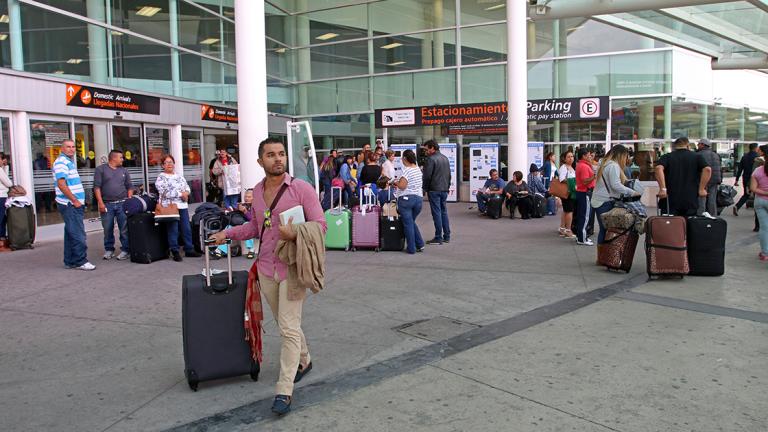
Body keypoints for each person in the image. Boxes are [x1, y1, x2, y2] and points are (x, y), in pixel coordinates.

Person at [210, 138, 327, 415]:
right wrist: (227, 234)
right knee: (287, 323)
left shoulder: (301, 188)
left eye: (282, 154)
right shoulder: (259, 191)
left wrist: (295, 232)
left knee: (287, 328)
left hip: (293, 268)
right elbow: (255, 226)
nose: (278, 159)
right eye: (271, 155)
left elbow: (320, 226)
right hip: (265, 269)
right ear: (260, 161)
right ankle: (305, 359)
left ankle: (284, 391)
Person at [53, 139, 95, 270]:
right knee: (78, 233)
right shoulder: (61, 162)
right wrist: (75, 200)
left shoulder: (68, 162)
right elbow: (61, 184)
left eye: (73, 147)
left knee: (71, 232)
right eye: (68, 147)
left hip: (72, 203)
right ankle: (80, 261)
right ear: (62, 149)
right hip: (70, 204)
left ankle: (70, 261)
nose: (71, 149)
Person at [155, 155, 201, 262]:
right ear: (163, 165)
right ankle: (174, 250)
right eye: (166, 162)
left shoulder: (179, 176)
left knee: (186, 228)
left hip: (182, 205)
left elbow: (187, 187)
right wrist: (181, 194)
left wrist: (186, 193)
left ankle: (189, 249)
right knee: (173, 229)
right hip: (170, 207)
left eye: (171, 162)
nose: (169, 164)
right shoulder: (161, 177)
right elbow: (165, 192)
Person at [591, 145, 639, 244]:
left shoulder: (603, 163)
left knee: (603, 230)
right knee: (606, 230)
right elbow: (615, 185)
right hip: (605, 201)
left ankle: (603, 256)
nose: (626, 159)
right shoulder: (613, 166)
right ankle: (606, 256)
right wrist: (632, 192)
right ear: (621, 155)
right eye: (626, 156)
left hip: (598, 200)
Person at [655, 137, 712, 217]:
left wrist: (662, 189)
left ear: (674, 146)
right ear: (688, 146)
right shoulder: (697, 157)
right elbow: (707, 170)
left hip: (670, 199)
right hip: (690, 199)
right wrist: (701, 189)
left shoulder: (667, 157)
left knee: (669, 226)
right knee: (689, 225)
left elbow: (658, 169)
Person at [93, 150, 133, 261]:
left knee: (124, 229)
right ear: (113, 158)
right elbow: (97, 187)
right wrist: (100, 203)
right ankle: (109, 249)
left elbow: (130, 186)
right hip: (107, 204)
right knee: (107, 228)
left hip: (122, 203)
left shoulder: (124, 170)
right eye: (121, 157)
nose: (122, 159)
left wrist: (129, 201)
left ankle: (126, 250)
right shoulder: (100, 170)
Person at [395, 149, 425, 254]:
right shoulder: (417, 169)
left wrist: (396, 183)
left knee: (408, 224)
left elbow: (402, 186)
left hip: (406, 200)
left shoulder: (406, 170)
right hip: (418, 200)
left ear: (405, 159)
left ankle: (411, 248)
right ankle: (420, 244)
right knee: (411, 222)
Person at [422, 140, 451, 245]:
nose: (425, 151)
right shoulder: (445, 158)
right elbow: (449, 175)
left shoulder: (430, 159)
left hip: (434, 189)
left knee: (437, 213)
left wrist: (424, 188)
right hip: (444, 189)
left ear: (432, 148)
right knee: (443, 212)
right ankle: (446, 236)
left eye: (426, 149)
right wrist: (447, 187)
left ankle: (438, 237)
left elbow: (427, 176)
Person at [574, 148, 597, 246]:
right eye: (589, 155)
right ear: (583, 156)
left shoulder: (582, 165)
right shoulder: (583, 166)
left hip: (582, 193)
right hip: (585, 193)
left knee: (582, 216)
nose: (590, 157)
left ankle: (581, 236)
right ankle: (582, 239)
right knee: (585, 216)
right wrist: (594, 176)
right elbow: (584, 181)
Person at [696, 138, 722, 216]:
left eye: (699, 144)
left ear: (703, 145)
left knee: (702, 199)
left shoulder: (699, 155)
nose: (698, 145)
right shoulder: (715, 154)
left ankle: (701, 216)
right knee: (712, 200)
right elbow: (719, 168)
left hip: (703, 179)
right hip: (715, 179)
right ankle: (713, 216)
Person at [734, 143, 760, 216]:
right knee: (757, 195)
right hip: (755, 179)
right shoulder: (758, 157)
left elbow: (740, 169)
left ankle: (737, 206)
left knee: (746, 194)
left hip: (745, 177)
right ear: (756, 148)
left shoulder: (744, 156)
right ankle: (757, 211)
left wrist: (736, 179)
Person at [558, 151, 577, 239]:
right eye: (568, 157)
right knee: (569, 211)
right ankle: (568, 230)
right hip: (567, 192)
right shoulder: (564, 167)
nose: (571, 158)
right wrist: (572, 182)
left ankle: (562, 228)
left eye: (572, 156)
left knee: (566, 210)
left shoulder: (571, 167)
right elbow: (562, 179)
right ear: (564, 158)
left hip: (570, 192)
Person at [0, 153, 12, 251]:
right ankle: (1, 242)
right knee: (1, 219)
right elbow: (8, 183)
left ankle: (2, 240)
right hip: (1, 196)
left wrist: (5, 167)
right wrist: (5, 168)